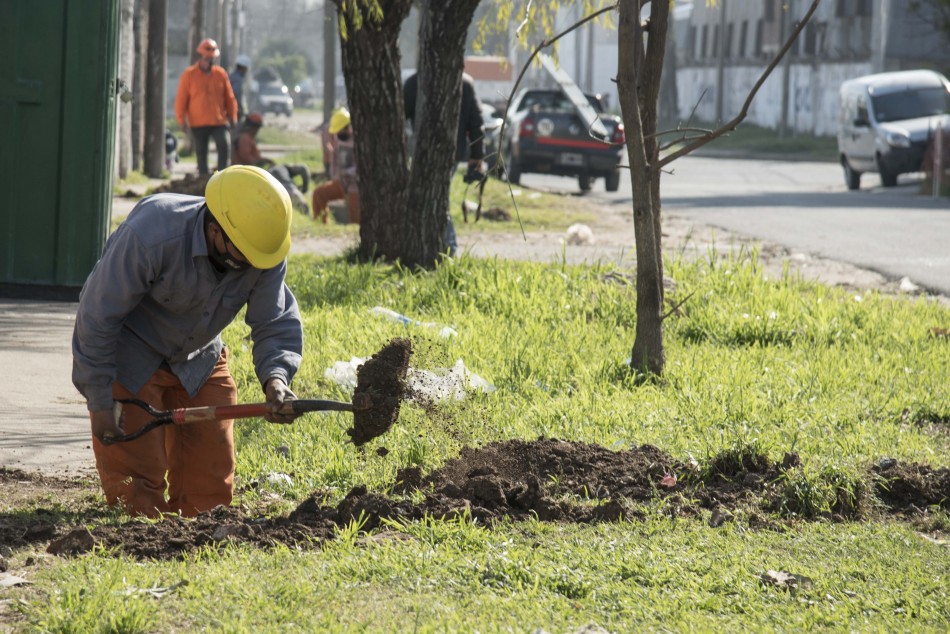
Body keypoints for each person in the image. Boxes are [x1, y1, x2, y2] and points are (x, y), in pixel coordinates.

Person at [72, 165, 303, 518]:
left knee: (209, 502)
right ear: (215, 231)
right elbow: (98, 315)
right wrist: (100, 401)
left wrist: (277, 380)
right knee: (136, 497)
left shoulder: (262, 250)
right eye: (245, 258)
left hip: (200, 359)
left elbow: (274, 319)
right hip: (132, 358)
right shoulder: (152, 232)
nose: (253, 265)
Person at [404, 72, 486, 255]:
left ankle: (448, 246)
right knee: (439, 197)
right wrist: (477, 156)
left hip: (423, 153)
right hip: (452, 153)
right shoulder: (465, 83)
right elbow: (477, 124)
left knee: (436, 198)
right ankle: (444, 246)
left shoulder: (415, 82)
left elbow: (398, 116)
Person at [175, 38, 238, 175]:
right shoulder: (189, 75)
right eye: (207, 57)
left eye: (212, 58)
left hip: (218, 120)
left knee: (224, 145)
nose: (210, 61)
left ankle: (223, 176)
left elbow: (230, 98)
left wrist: (233, 116)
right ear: (200, 57)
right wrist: (181, 120)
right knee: (201, 153)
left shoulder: (220, 74)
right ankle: (203, 179)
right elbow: (181, 100)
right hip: (198, 122)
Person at [232, 112, 311, 215]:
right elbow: (246, 158)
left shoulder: (247, 138)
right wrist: (261, 162)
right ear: (253, 127)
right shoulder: (245, 138)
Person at [311, 107, 360, 224]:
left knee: (355, 218)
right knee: (318, 195)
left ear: (349, 127)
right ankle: (321, 224)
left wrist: (348, 172)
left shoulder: (360, 141)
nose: (339, 134)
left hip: (356, 186)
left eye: (342, 131)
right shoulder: (338, 140)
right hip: (340, 183)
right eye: (338, 132)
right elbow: (336, 161)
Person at [229, 54, 252, 125]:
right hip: (234, 112)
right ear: (243, 68)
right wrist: (240, 109)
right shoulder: (238, 79)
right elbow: (236, 95)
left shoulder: (231, 76)